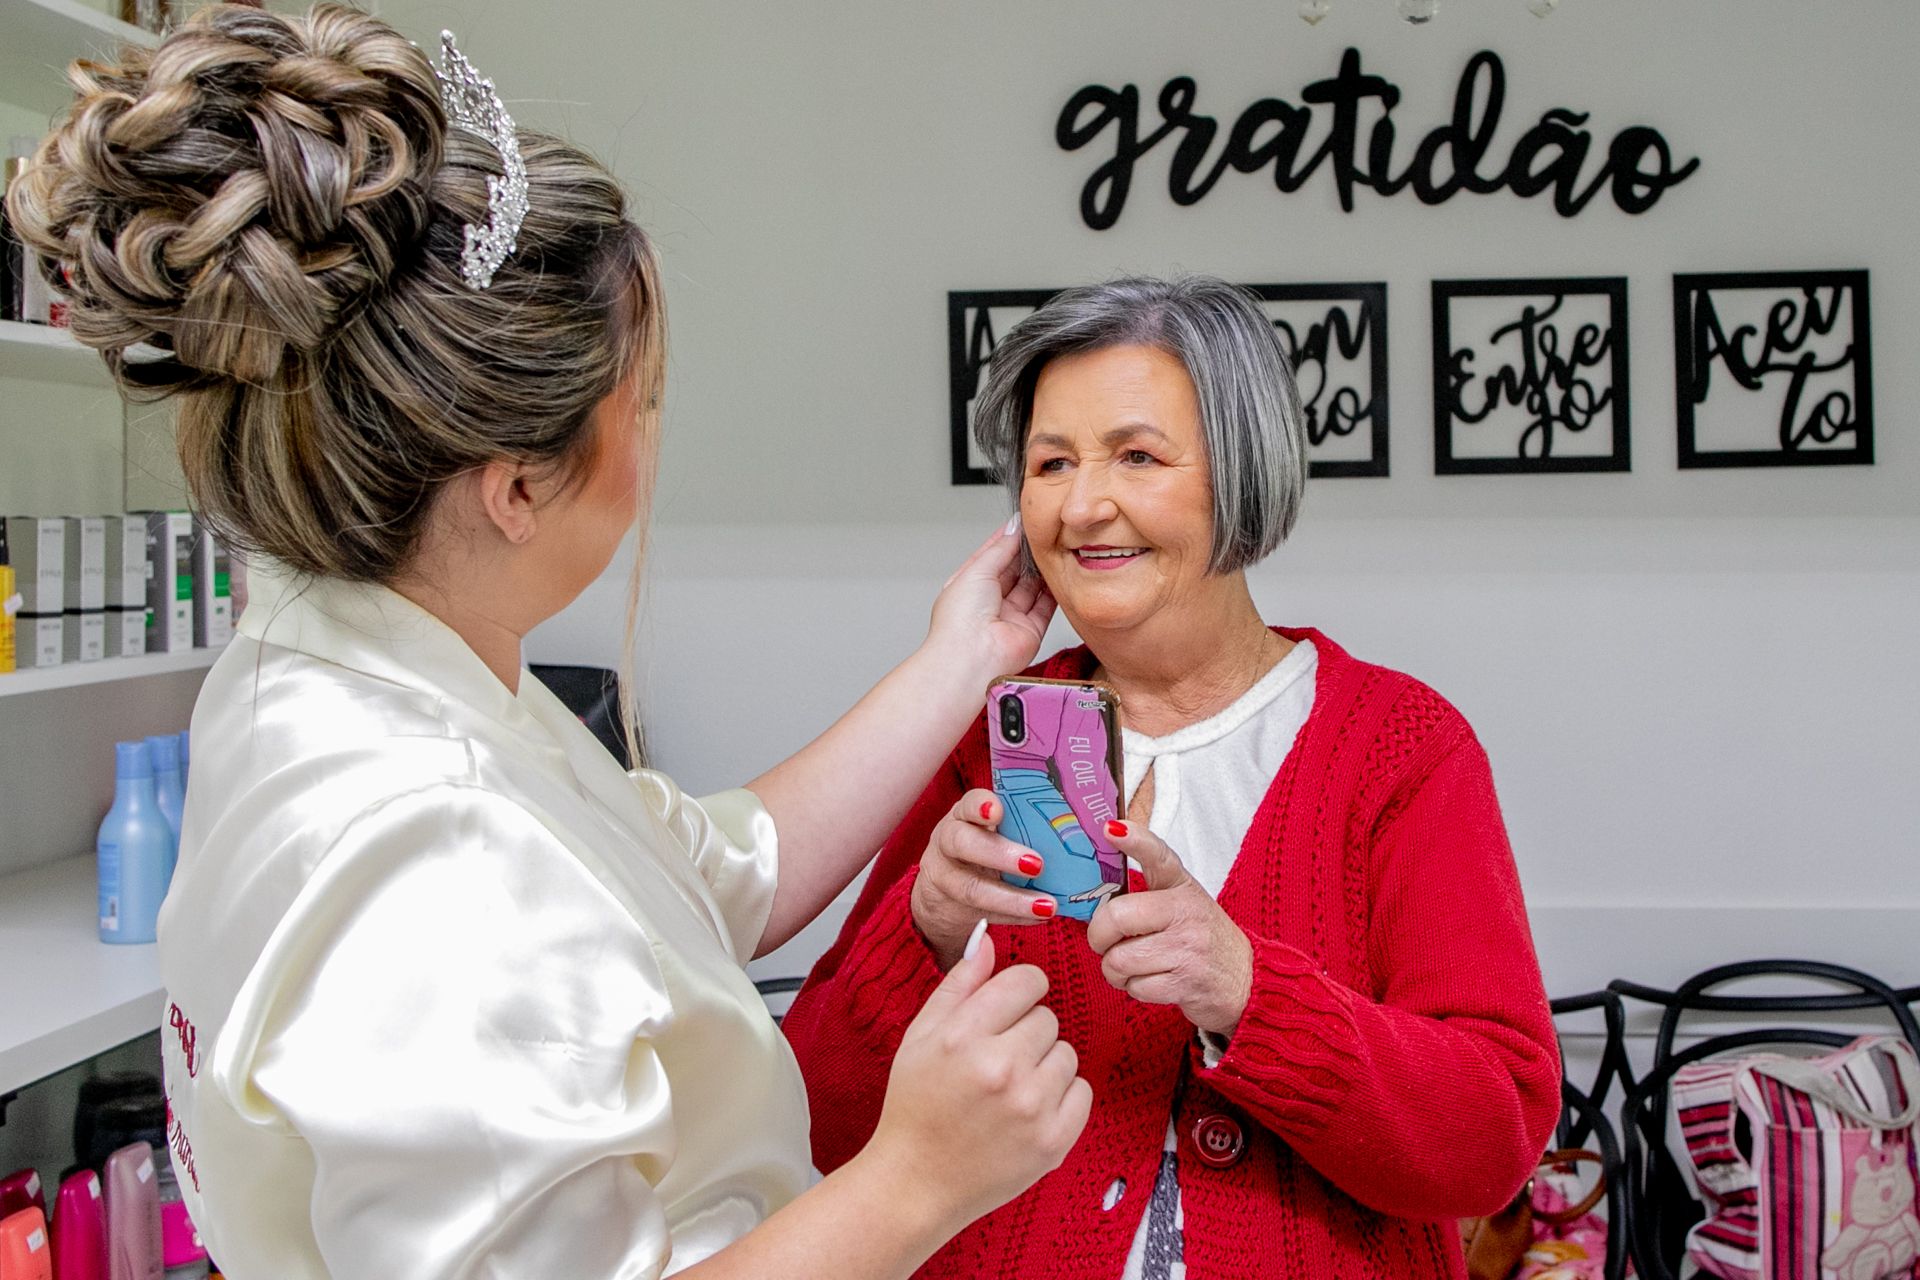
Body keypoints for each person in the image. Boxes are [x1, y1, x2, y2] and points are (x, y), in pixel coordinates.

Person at [7, 6, 1091, 1277]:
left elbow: (696, 876)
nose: (654, 440)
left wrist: (960, 658)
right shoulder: (438, 855)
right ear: (517, 486)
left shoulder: (336, 653)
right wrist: (917, 1176)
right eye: (646, 401)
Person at [783, 276, 1563, 1278]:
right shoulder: (979, 741)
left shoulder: (1401, 747)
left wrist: (1248, 991)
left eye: (1137, 456)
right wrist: (923, 928)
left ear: (1241, 473)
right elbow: (818, 1122)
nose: (1081, 505)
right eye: (1050, 463)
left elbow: (1492, 1140)